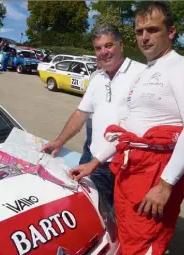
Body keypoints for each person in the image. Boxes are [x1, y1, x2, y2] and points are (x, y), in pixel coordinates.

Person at [69, 2, 184, 255]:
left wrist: (166, 185)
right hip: (130, 171)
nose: (145, 37)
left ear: (171, 31)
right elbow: (128, 129)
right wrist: (94, 162)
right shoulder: (147, 71)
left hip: (154, 174)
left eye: (152, 29)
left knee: (144, 251)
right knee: (128, 242)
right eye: (139, 31)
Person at [41, 23, 146, 207]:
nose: (103, 52)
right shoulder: (97, 77)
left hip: (128, 167)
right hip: (97, 165)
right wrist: (60, 141)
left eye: (108, 45)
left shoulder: (142, 74)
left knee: (125, 220)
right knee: (99, 215)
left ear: (121, 45)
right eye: (98, 48)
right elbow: (81, 113)